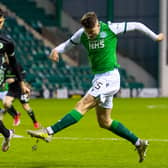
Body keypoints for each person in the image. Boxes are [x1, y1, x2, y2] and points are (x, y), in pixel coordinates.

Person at [27, 12, 164, 162]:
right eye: (88, 32)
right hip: (99, 78)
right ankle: (139, 143)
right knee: (105, 121)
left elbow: (137, 25)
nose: (90, 35)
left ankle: (49, 132)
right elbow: (67, 44)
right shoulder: (82, 34)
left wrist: (155, 36)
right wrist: (56, 50)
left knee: (83, 104)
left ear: (98, 24)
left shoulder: (111, 29)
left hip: (110, 77)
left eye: (92, 32)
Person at [0, 8, 30, 151]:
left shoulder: (7, 41)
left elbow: (13, 63)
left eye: (1, 21)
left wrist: (22, 83)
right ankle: (7, 134)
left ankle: (8, 133)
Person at [3, 64, 40, 128]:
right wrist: (4, 82)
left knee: (26, 107)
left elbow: (23, 75)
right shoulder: (4, 66)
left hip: (21, 89)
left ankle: (35, 122)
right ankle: (16, 115)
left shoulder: (17, 65)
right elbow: (3, 77)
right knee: (6, 104)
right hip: (12, 90)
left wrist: (14, 79)